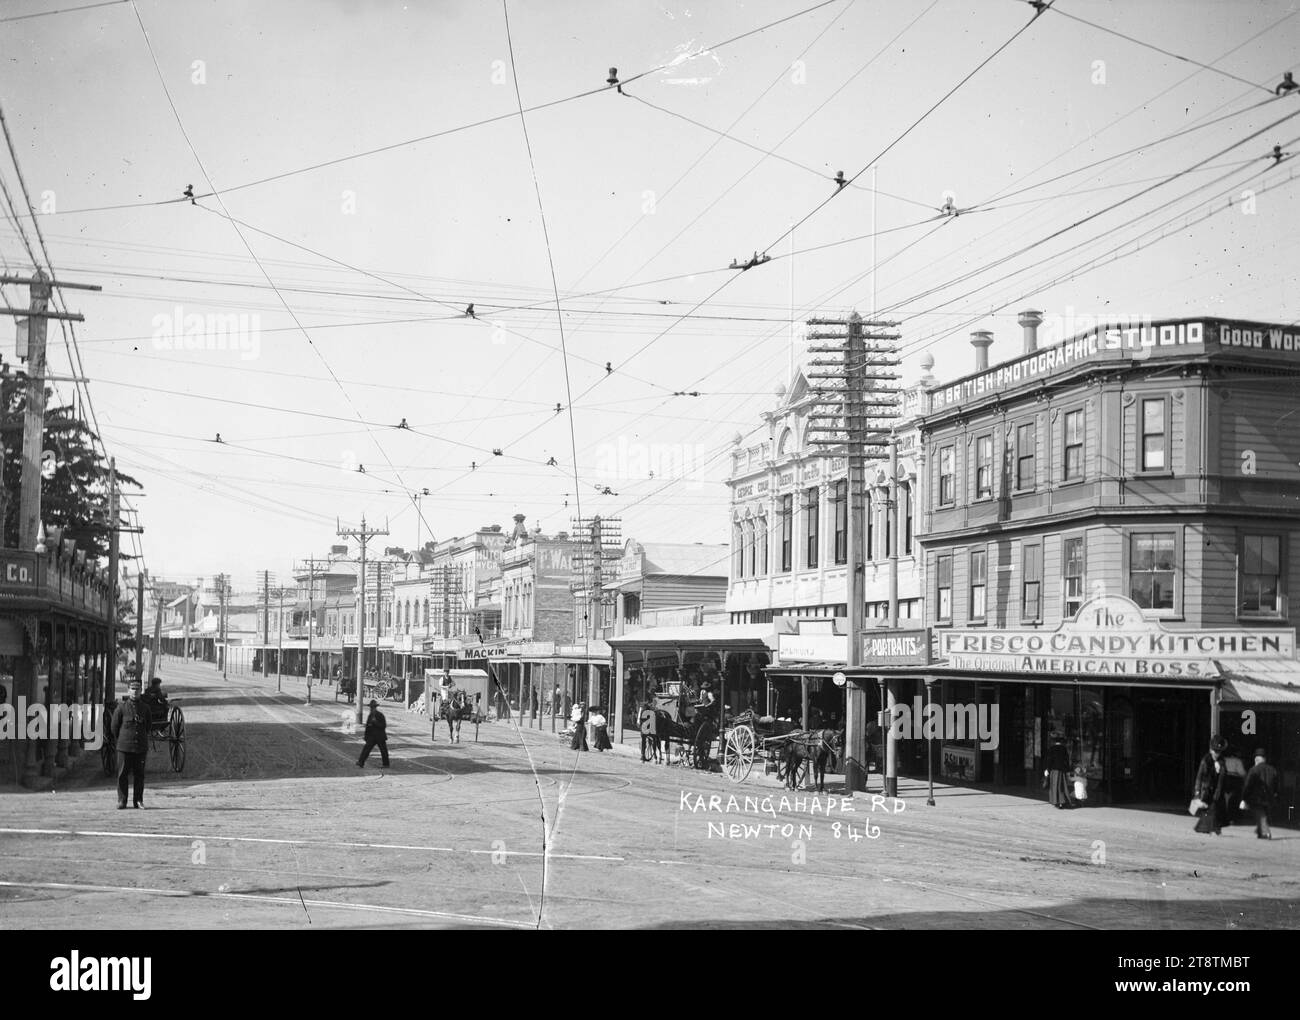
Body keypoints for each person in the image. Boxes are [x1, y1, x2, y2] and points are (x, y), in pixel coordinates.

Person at [111, 677, 151, 809]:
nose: (135, 692)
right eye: (133, 689)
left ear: (141, 691)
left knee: (139, 774)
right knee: (122, 774)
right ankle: (122, 800)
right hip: (125, 746)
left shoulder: (145, 708)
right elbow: (114, 727)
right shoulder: (121, 708)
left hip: (140, 747)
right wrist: (122, 740)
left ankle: (138, 800)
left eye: (137, 689)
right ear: (128, 690)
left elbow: (148, 727)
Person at [1240, 748, 1279, 840]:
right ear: (1264, 759)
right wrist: (1276, 794)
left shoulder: (1254, 770)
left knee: (1260, 815)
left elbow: (1248, 785)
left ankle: (1266, 832)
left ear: (1256, 759)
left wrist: (1244, 797)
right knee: (1263, 814)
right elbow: (1277, 784)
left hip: (1256, 798)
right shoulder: (1273, 769)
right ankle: (1260, 832)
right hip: (1269, 797)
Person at [1194, 736, 1229, 834]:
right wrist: (1197, 794)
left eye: (1219, 752)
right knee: (1211, 811)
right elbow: (1199, 778)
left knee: (1217, 811)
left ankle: (1214, 829)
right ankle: (1211, 829)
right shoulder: (1205, 761)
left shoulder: (1222, 762)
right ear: (1211, 750)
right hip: (1207, 791)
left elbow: (1223, 778)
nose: (1217, 754)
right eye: (1215, 751)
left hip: (1218, 791)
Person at [357, 700, 390, 768]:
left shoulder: (380, 715)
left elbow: (383, 726)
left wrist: (376, 723)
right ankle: (361, 762)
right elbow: (367, 727)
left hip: (380, 736)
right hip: (372, 736)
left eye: (373, 707)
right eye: (371, 708)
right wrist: (366, 736)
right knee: (366, 749)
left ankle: (386, 764)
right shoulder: (370, 715)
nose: (372, 709)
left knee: (384, 751)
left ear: (375, 707)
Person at [1044, 733, 1072, 809]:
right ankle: (1062, 802)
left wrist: (1047, 769)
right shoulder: (1064, 749)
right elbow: (1066, 760)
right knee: (1062, 786)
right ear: (1061, 742)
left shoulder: (1052, 748)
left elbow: (1049, 760)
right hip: (1062, 771)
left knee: (1054, 786)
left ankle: (1056, 802)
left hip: (1054, 771)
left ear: (1054, 741)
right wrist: (1068, 770)